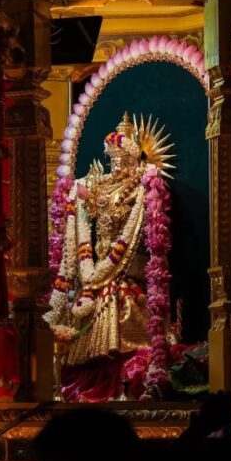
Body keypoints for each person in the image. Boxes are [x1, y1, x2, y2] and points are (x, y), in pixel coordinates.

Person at [44, 112, 175, 401]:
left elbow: (142, 231)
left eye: (120, 158)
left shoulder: (142, 189)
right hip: (93, 273)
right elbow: (80, 209)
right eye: (111, 158)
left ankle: (130, 382)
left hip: (126, 270)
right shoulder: (98, 185)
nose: (114, 163)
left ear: (131, 159)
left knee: (124, 307)